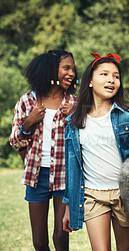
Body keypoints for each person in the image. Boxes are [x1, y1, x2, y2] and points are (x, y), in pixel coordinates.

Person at [61, 52, 129, 251]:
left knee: (126, 248)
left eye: (116, 76)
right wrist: (68, 204)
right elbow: (72, 167)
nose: (111, 80)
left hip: (125, 195)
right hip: (92, 195)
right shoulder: (74, 122)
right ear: (90, 81)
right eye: (104, 74)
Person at [9, 50, 79, 251]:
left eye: (73, 69)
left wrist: (74, 117)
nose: (72, 73)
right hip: (36, 176)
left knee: (60, 236)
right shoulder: (27, 101)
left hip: (65, 175)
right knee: (39, 242)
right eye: (66, 68)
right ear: (50, 69)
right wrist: (28, 123)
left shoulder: (73, 103)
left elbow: (84, 140)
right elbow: (15, 141)